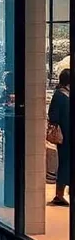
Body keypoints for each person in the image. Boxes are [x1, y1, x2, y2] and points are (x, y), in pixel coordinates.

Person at [48, 68, 70, 206]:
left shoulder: (64, 94)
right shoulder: (60, 95)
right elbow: (53, 116)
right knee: (64, 163)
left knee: (66, 162)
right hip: (65, 135)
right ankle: (59, 194)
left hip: (68, 134)